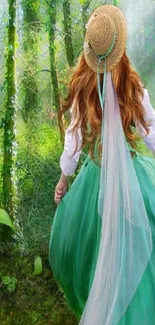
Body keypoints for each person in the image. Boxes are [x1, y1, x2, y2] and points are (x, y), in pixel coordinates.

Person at [49, 5, 155, 325]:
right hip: (132, 176)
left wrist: (64, 180)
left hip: (95, 179)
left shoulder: (82, 88)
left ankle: (105, 297)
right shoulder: (133, 88)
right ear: (120, 50)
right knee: (140, 233)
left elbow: (74, 142)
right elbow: (150, 130)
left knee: (94, 244)